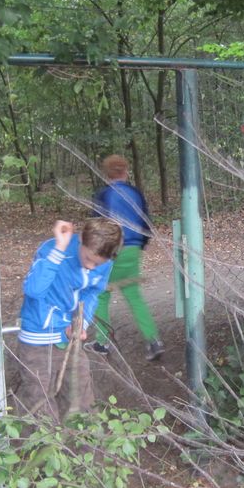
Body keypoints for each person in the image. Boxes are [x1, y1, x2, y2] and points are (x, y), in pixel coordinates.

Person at [10, 218, 123, 422]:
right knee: (40, 408)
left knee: (82, 404)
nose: (91, 266)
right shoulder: (51, 251)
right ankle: (44, 442)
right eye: (88, 258)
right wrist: (59, 250)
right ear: (81, 240)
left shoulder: (105, 261)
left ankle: (83, 443)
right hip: (38, 340)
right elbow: (34, 290)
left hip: (69, 339)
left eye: (97, 264)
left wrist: (81, 323)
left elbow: (92, 292)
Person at [89, 154, 164, 361]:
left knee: (101, 294)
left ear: (107, 173)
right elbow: (145, 221)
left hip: (112, 249)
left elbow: (97, 226)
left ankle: (102, 342)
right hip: (133, 249)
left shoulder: (104, 194)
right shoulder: (135, 193)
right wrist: (142, 244)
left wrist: (95, 253)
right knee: (133, 294)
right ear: (126, 172)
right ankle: (153, 341)